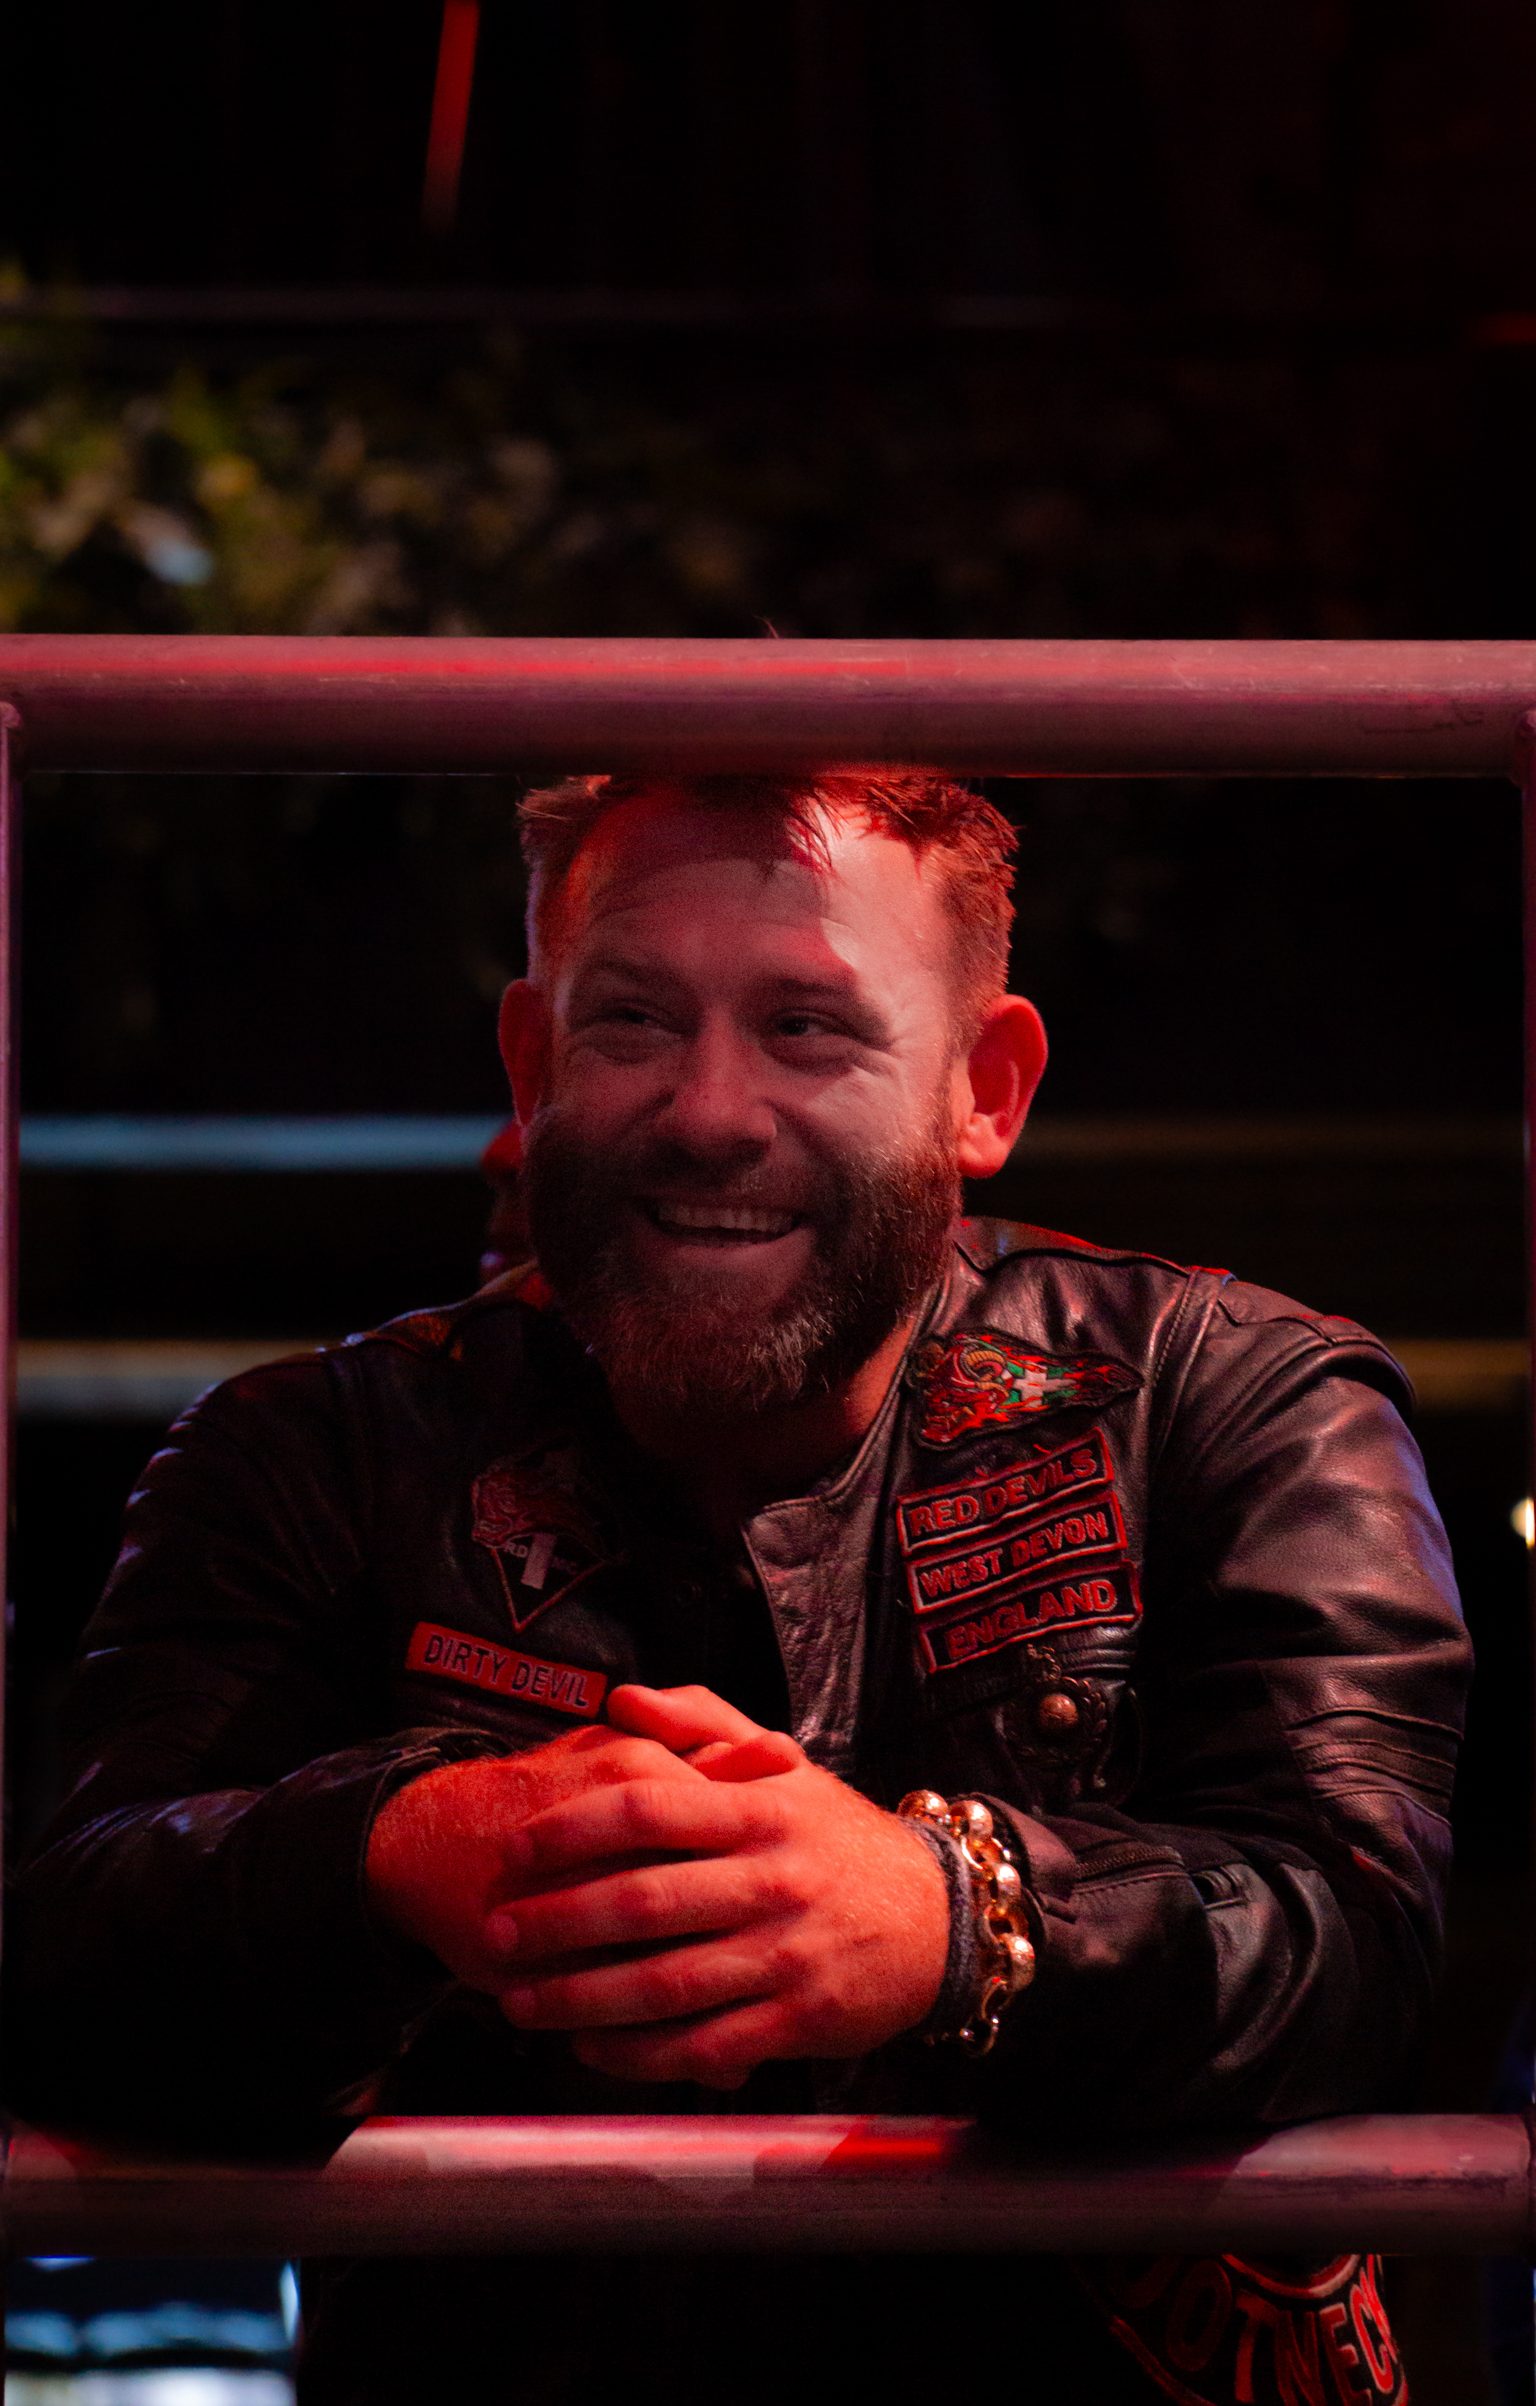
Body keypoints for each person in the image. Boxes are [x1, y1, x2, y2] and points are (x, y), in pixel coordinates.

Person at [6, 769, 1471, 2406]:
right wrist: (392, 1851)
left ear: (983, 1088)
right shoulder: (314, 1450)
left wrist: (955, 1916)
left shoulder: (1238, 1393)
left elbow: (1373, 1944)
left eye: (806, 1027)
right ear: (530, 1060)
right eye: (633, 1019)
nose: (709, 1110)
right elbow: (65, 1967)